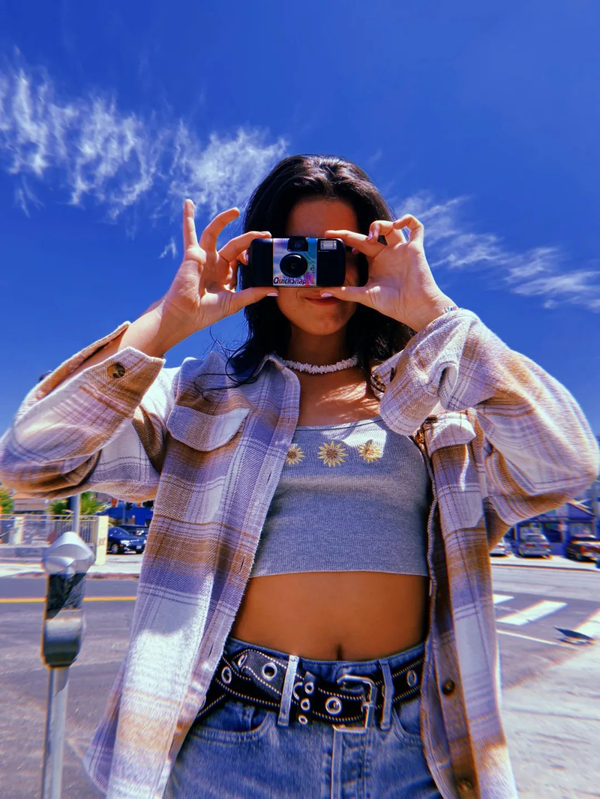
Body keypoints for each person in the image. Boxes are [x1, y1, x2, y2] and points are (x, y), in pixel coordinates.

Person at [0, 154, 597, 799]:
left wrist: (436, 315)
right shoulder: (201, 395)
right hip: (235, 743)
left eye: (340, 251)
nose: (317, 271)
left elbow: (566, 463)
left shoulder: (439, 401)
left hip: (415, 745)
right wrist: (168, 322)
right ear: (261, 260)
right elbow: (31, 461)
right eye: (296, 251)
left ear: (373, 259)